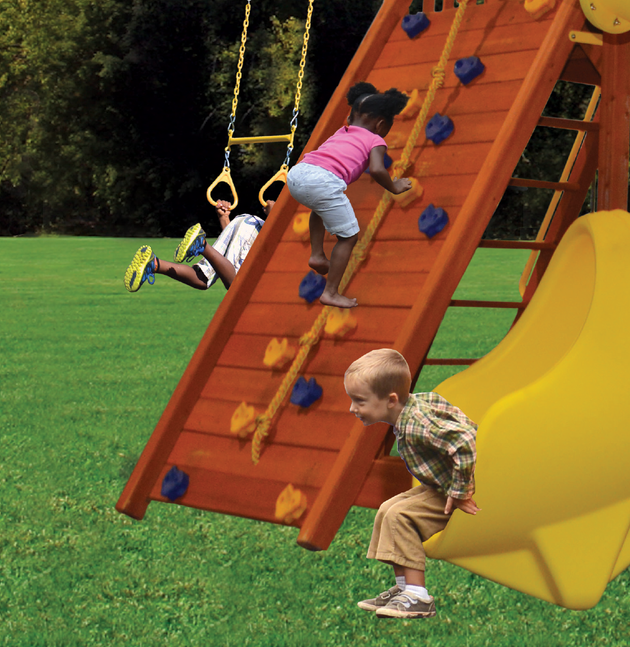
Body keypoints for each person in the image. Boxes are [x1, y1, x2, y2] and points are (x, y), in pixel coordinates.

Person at [343, 348, 479, 620]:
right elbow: (440, 404)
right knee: (387, 509)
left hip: (454, 488)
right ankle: (404, 589)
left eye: (359, 401)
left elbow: (464, 440)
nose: (352, 408)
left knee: (400, 516)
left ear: (391, 400)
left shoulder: (416, 423)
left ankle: (418, 597)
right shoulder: (413, 406)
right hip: (440, 484)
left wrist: (461, 490)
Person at [286, 84, 414, 308]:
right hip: (323, 181)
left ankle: (317, 255)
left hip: (298, 174)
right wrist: (393, 186)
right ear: (381, 124)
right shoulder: (376, 140)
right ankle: (331, 293)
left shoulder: (342, 131)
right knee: (349, 237)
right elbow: (376, 169)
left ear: (350, 116)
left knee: (319, 207)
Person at [121, 199, 262, 293]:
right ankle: (201, 244)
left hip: (247, 224)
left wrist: (224, 219)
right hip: (257, 228)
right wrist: (275, 212)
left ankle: (154, 264)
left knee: (202, 279)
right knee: (237, 286)